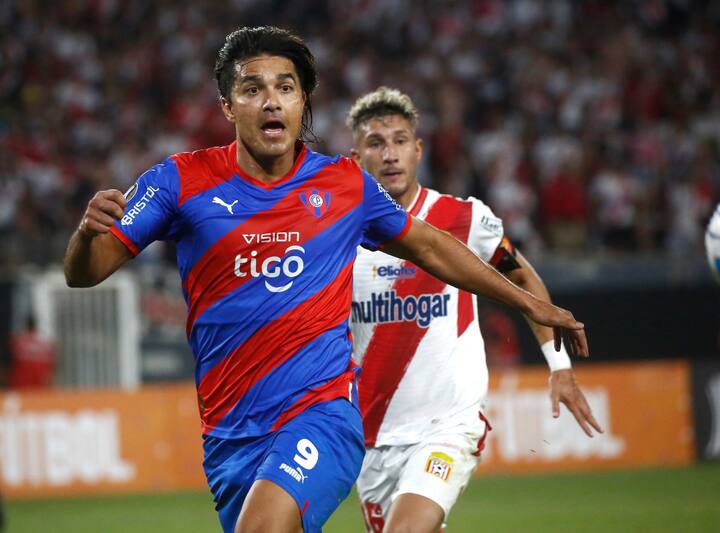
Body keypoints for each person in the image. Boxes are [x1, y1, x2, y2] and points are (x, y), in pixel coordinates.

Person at [63, 27, 588, 533]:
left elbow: (429, 246)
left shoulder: (344, 185)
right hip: (229, 435)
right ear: (227, 107)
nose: (271, 102)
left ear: (302, 102)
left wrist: (531, 304)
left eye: (285, 88)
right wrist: (87, 236)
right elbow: (86, 273)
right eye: (252, 89)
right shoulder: (179, 181)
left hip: (322, 414)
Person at [346, 87, 602, 532]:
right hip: (372, 436)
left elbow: (521, 276)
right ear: (356, 156)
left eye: (400, 140)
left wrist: (559, 366)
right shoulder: (339, 233)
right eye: (376, 142)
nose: (390, 154)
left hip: (447, 423)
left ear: (418, 149)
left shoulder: (463, 218)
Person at [8, 315, 56, 389]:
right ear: (35, 326)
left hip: (20, 387)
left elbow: (9, 362)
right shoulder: (45, 344)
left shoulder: (18, 341)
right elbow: (51, 367)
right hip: (39, 389)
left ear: (26, 326)